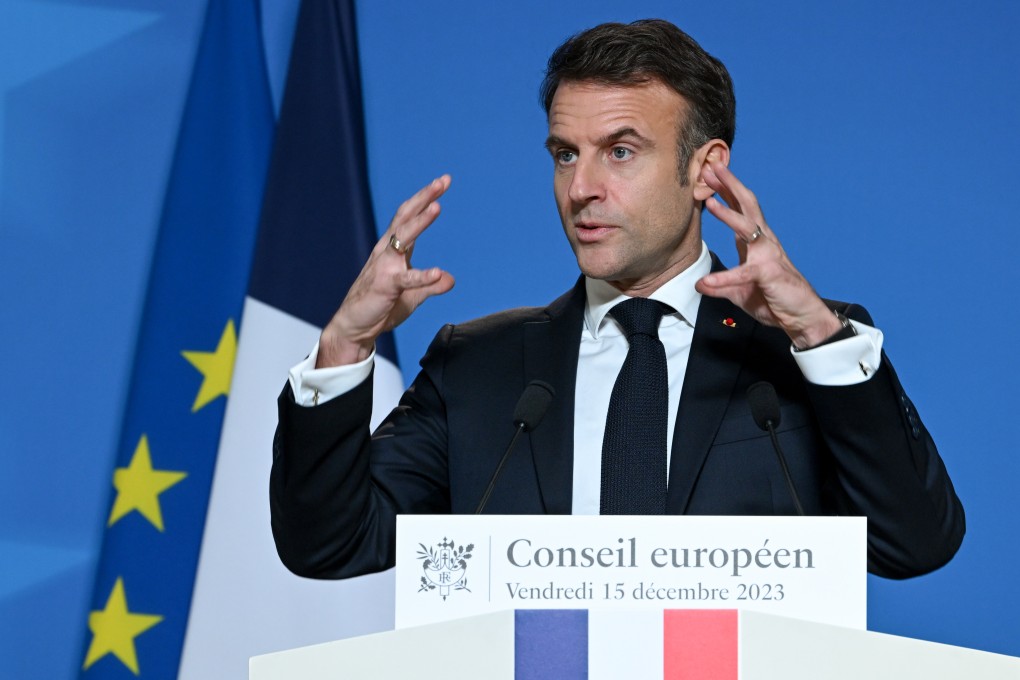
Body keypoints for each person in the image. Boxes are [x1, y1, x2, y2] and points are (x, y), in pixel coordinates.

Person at [270, 19, 964, 581]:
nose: (581, 189)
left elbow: (914, 545)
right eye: (566, 153)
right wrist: (344, 349)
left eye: (621, 152)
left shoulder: (807, 354)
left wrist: (817, 333)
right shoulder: (478, 368)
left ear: (705, 170)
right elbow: (331, 546)